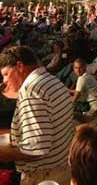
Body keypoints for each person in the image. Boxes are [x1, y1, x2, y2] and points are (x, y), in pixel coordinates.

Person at [0, 45, 73, 185]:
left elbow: (34, 149)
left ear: (20, 66)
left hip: (41, 177)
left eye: (6, 74)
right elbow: (35, 133)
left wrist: (2, 154)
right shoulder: (52, 81)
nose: (4, 81)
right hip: (60, 170)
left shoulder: (31, 91)